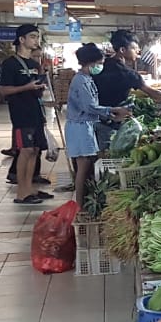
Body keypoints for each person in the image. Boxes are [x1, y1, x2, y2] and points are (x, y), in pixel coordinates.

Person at [96, 29, 161, 149]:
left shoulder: (102, 64)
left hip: (95, 116)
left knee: (97, 153)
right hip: (111, 120)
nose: (138, 51)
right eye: (134, 48)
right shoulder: (127, 74)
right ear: (122, 50)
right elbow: (153, 93)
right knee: (109, 149)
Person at [65, 44, 130, 207]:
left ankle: (83, 202)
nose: (100, 66)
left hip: (84, 124)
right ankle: (79, 206)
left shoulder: (86, 78)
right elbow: (90, 107)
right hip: (80, 126)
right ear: (91, 63)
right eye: (99, 63)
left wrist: (111, 115)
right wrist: (113, 110)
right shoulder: (81, 81)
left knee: (86, 165)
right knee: (83, 166)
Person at [0, 24, 50, 204]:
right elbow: (3, 90)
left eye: (37, 37)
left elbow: (35, 90)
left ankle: (30, 188)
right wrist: (26, 87)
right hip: (20, 114)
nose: (36, 40)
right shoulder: (10, 64)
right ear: (21, 39)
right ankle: (21, 193)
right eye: (33, 36)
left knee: (35, 150)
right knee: (25, 150)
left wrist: (39, 88)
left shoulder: (35, 64)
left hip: (35, 111)